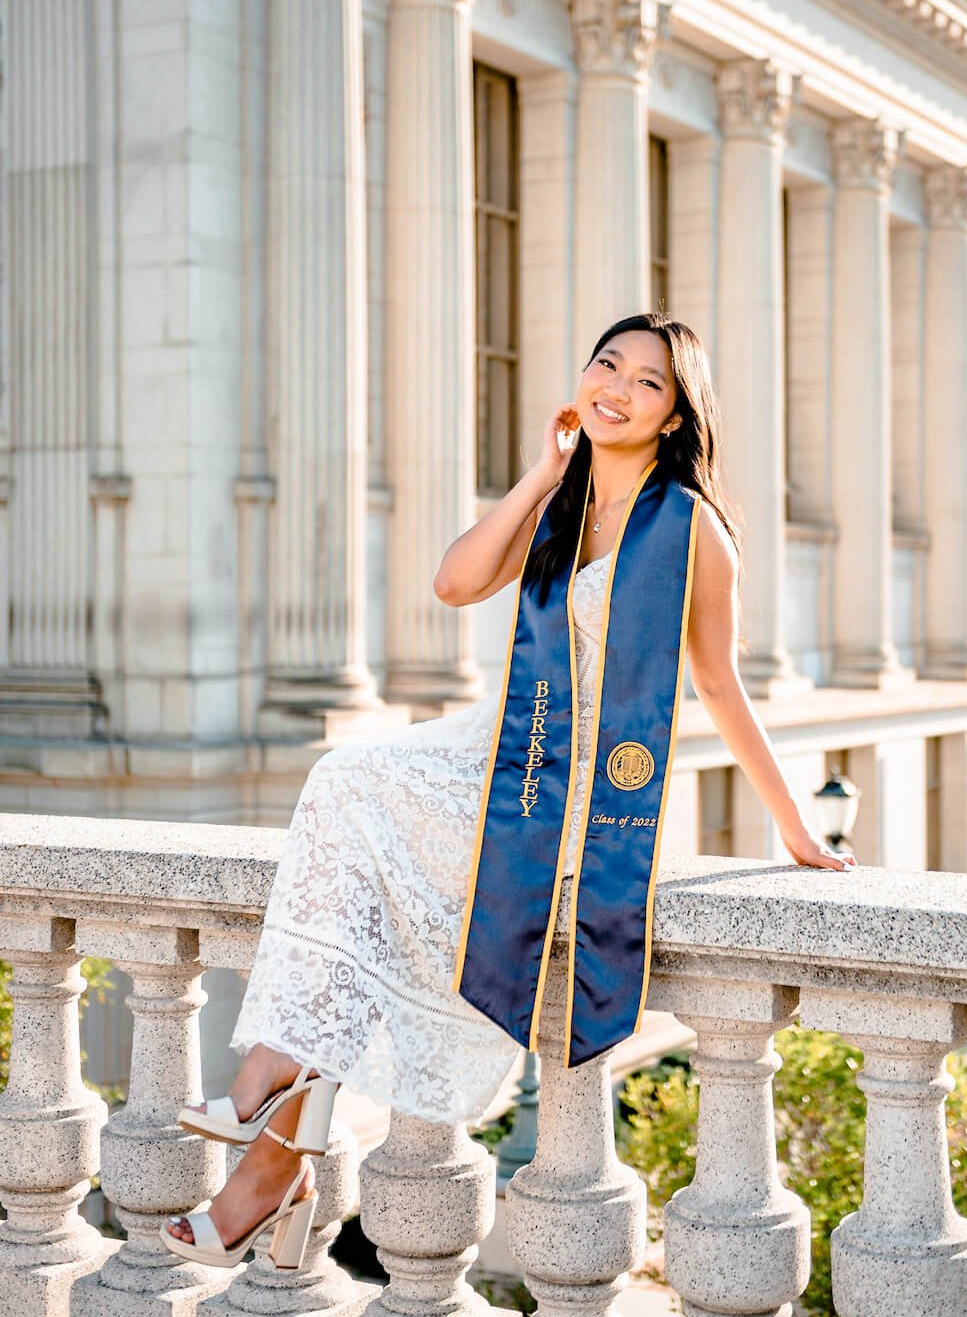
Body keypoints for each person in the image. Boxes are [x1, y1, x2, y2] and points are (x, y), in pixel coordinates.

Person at [160, 313, 856, 1270]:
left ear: (674, 415)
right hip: (499, 748)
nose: (617, 386)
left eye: (648, 382)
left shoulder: (693, 529)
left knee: (361, 819)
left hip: (570, 792)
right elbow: (454, 584)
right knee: (346, 800)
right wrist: (543, 471)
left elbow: (718, 683)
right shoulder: (561, 504)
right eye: (606, 364)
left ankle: (273, 1117)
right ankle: (280, 1114)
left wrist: (795, 828)